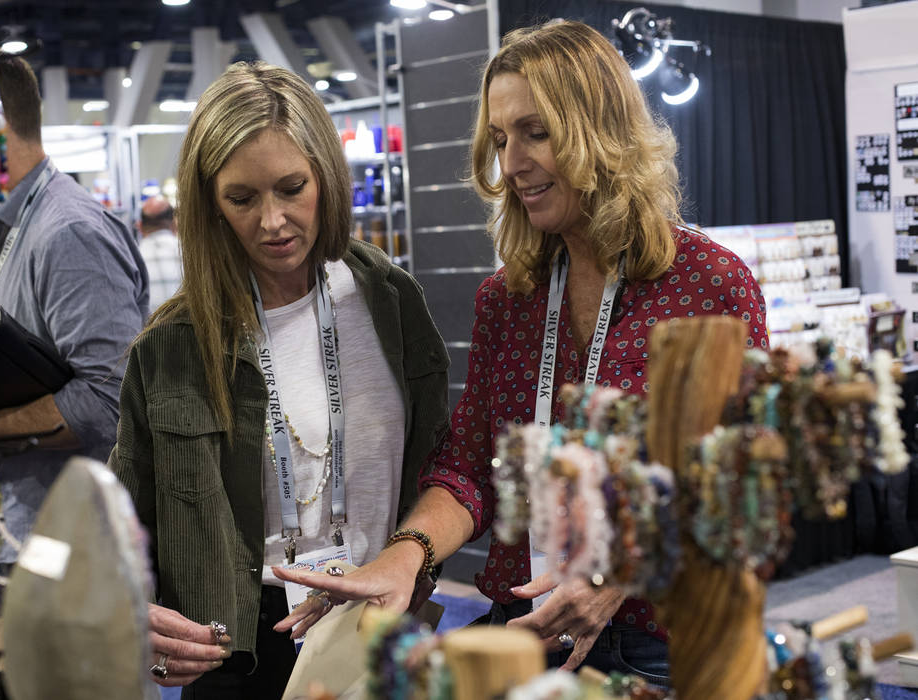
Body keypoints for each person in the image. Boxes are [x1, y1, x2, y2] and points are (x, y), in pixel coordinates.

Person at [274, 19, 769, 686]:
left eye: (536, 132)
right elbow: (473, 463)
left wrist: (614, 576)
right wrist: (406, 554)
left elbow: (738, 481)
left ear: (603, 129)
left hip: (666, 644)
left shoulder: (708, 284)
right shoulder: (509, 300)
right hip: (528, 631)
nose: (511, 163)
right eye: (501, 139)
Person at [108, 61, 449, 698]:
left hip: (380, 624)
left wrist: (418, 561)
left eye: (292, 188)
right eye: (242, 198)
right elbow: (124, 519)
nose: (272, 222)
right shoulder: (171, 348)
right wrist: (134, 614)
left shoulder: (392, 302)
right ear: (210, 203)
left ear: (325, 174)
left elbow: (441, 463)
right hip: (237, 649)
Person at [0, 55, 149, 577]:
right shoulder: (0, 228)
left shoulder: (68, 234)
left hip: (67, 556)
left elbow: (109, 401)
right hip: (21, 541)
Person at [137, 195, 183, 313]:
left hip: (148, 329)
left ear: (140, 226)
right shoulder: (190, 253)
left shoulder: (133, 258)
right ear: (174, 224)